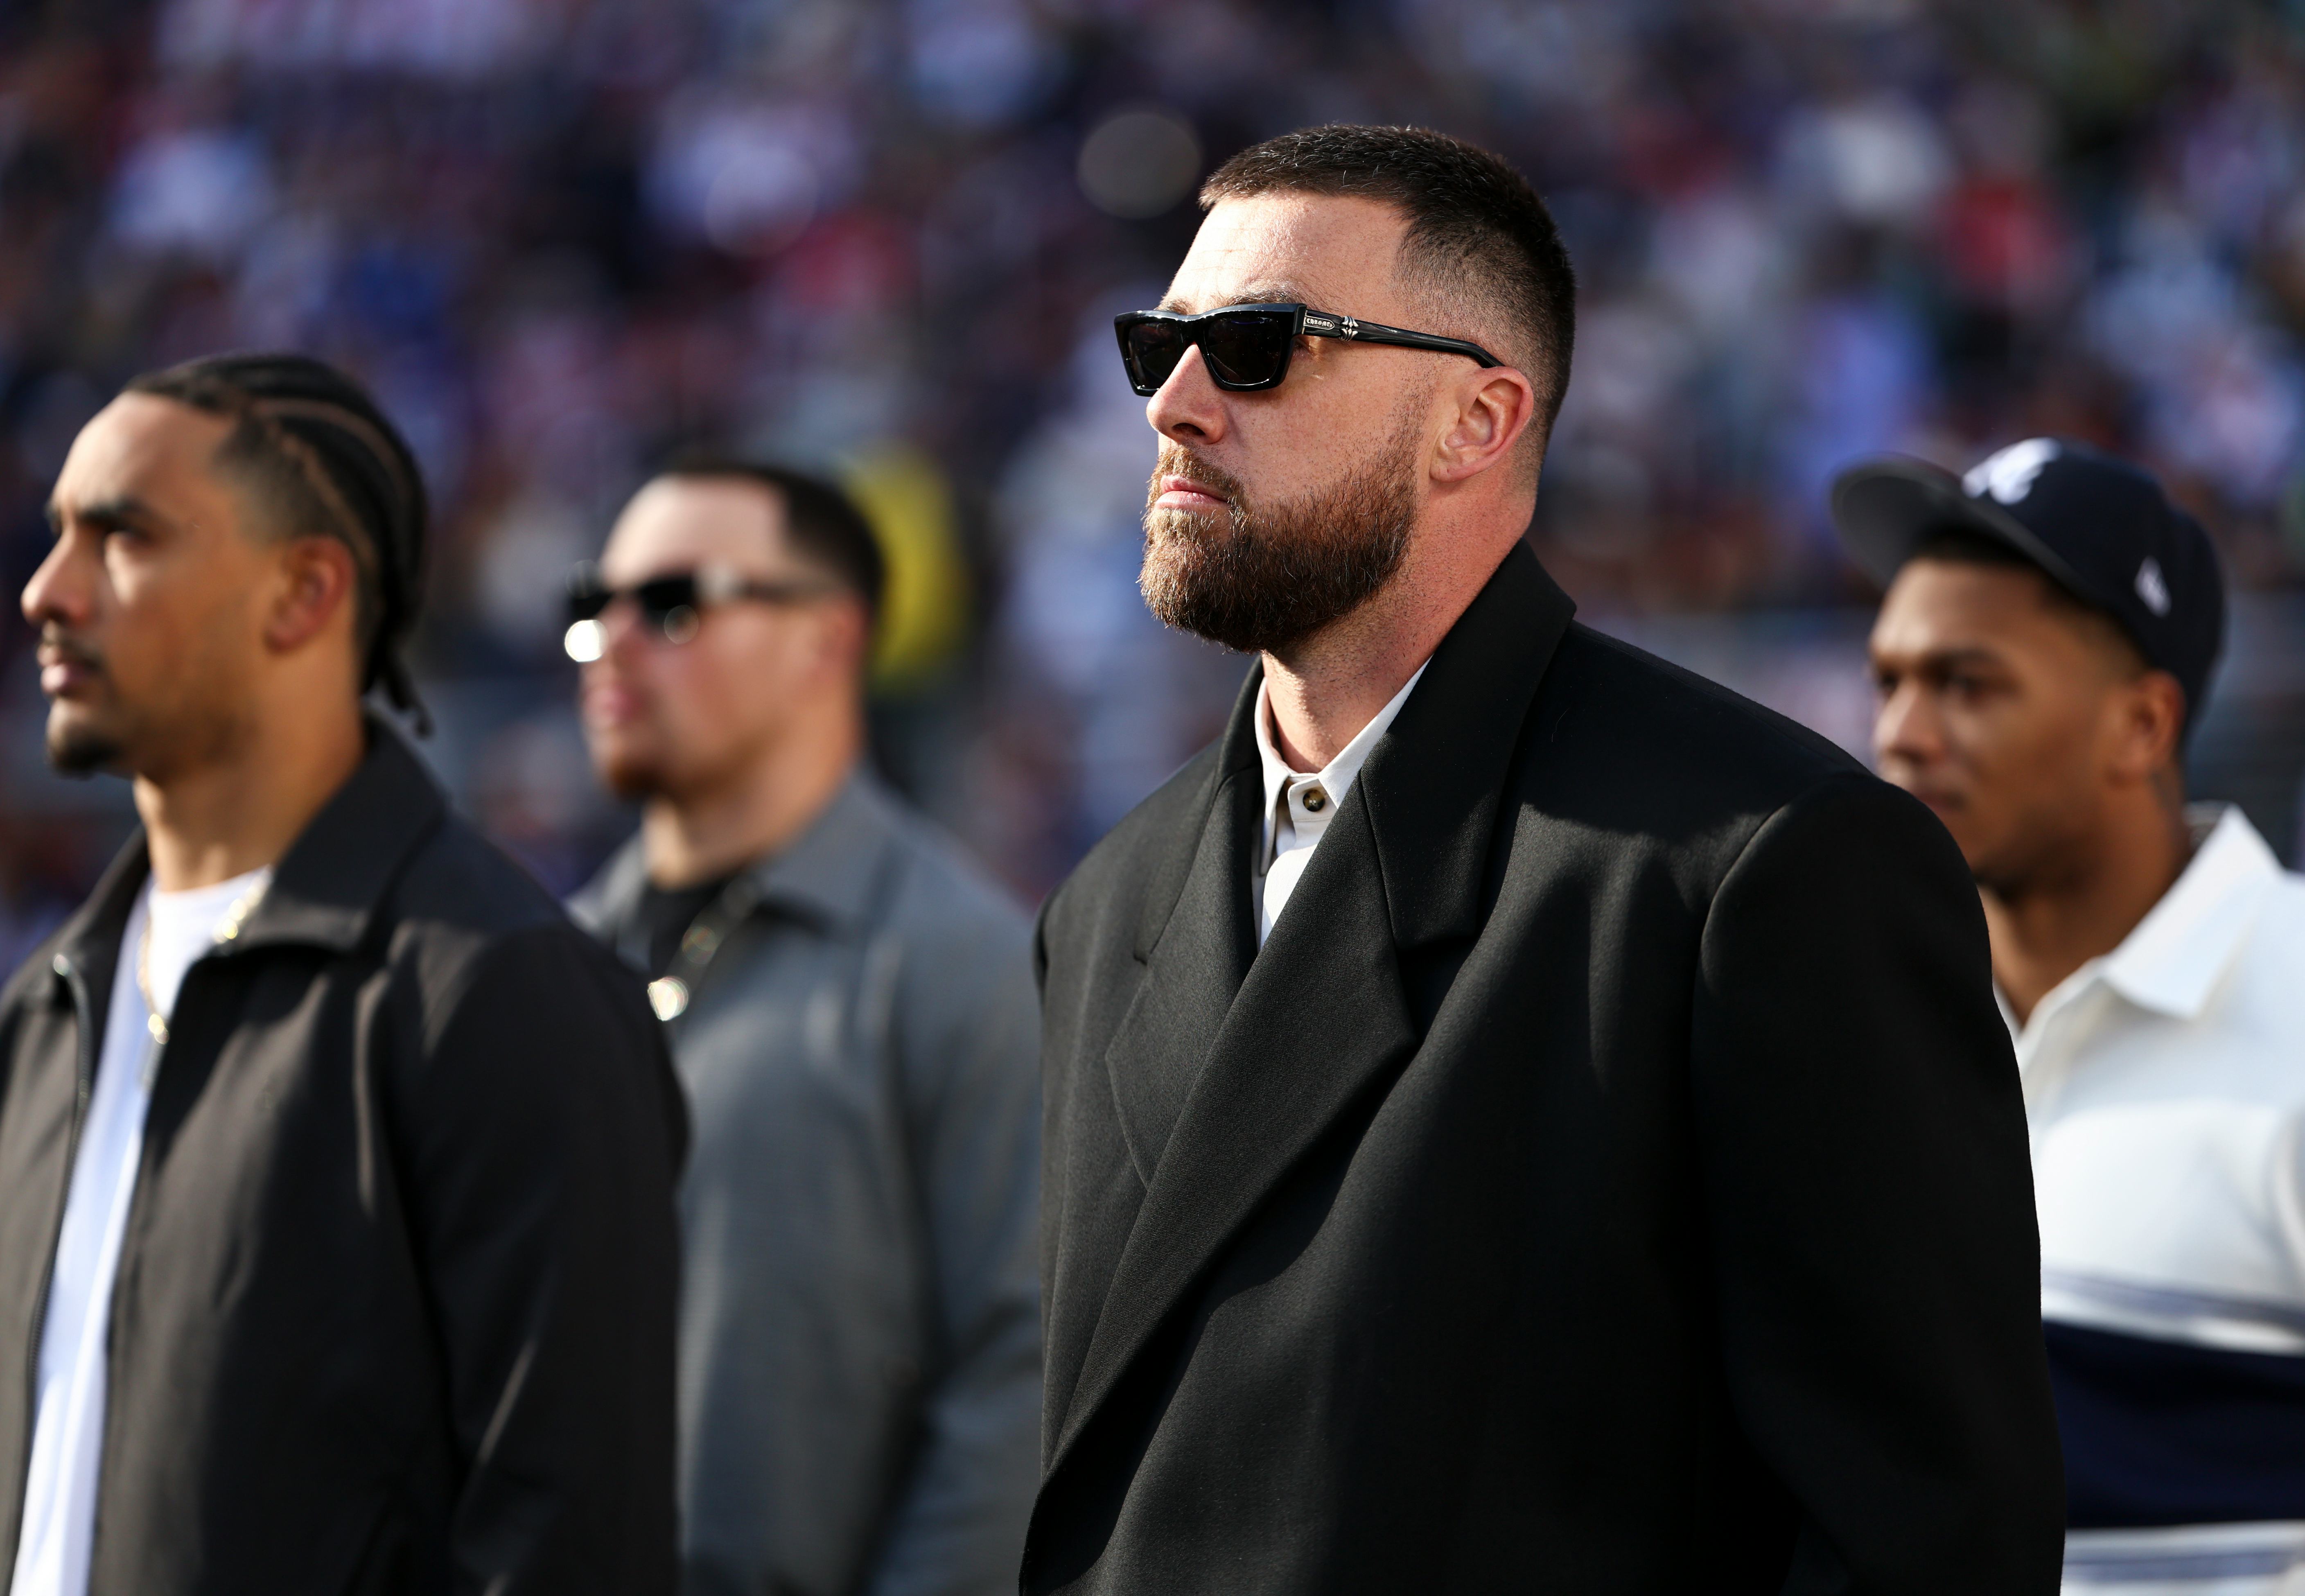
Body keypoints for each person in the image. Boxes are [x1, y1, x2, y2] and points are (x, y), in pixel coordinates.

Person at [1028, 123, 2063, 1594]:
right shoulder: (1103, 902)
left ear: (1476, 420)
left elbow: (1920, 1532)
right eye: (1159, 347)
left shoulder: (1760, 869)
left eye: (1257, 346)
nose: (1177, 406)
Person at [0, 352, 683, 1596]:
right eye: (56, 535)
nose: (49, 590)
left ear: (305, 591)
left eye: (124, 537)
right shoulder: (46, 1008)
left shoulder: (502, 996)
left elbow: (568, 1543)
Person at [1839, 438, 2305, 1596]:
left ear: (2142, 726)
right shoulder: (1847, 1034)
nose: (1901, 732)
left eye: (1967, 682)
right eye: (1888, 678)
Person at [567, 458, 1042, 1596]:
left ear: (828, 640)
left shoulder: (962, 966)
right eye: (593, 608)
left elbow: (1022, 1385)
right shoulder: (541, 976)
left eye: (675, 604)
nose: (614, 642)